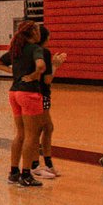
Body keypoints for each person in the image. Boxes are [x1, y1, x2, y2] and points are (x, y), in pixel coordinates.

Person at [0, 20, 47, 188]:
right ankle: (26, 174)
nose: (40, 32)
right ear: (33, 33)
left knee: (20, 134)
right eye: (38, 30)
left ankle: (13, 172)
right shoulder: (35, 49)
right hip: (29, 93)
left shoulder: (16, 49)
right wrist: (32, 76)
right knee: (32, 135)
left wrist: (15, 72)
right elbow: (41, 66)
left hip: (14, 92)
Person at [32, 25, 67, 180]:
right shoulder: (43, 52)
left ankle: (42, 163)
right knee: (43, 128)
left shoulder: (29, 50)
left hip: (29, 93)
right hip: (41, 94)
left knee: (42, 128)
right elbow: (47, 79)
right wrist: (55, 66)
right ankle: (38, 165)